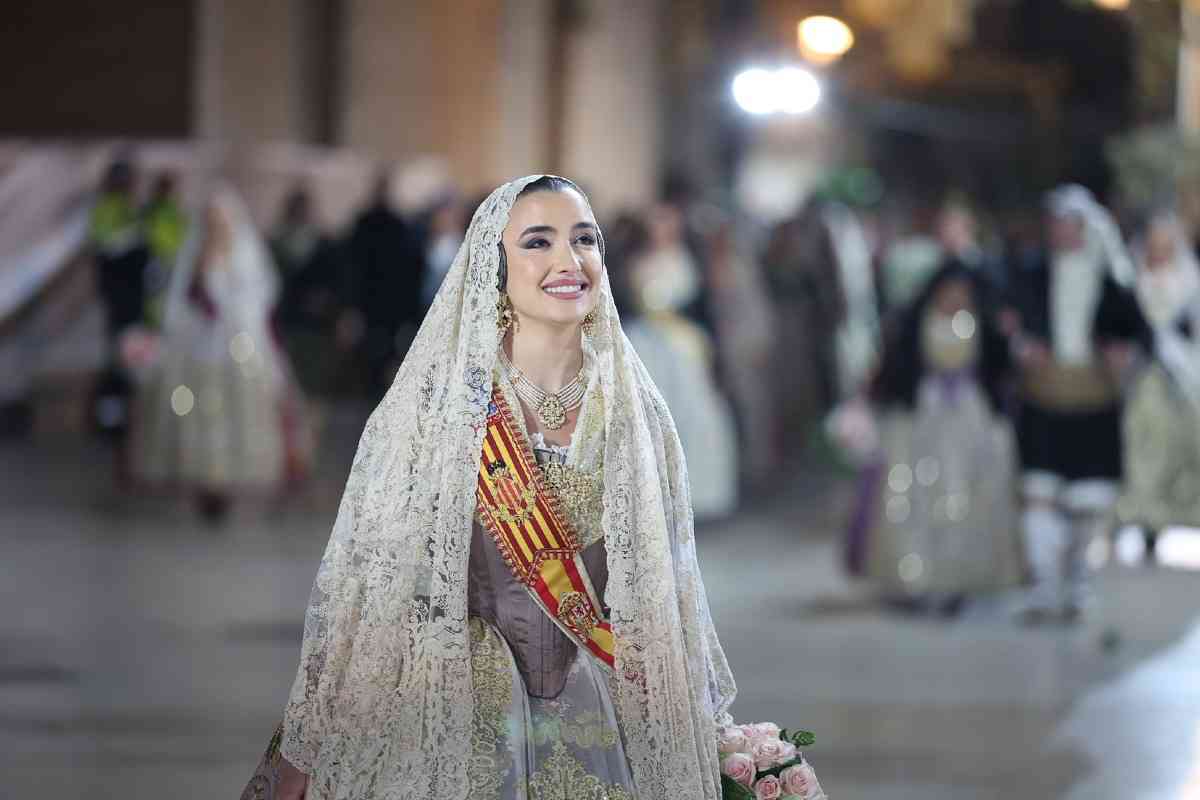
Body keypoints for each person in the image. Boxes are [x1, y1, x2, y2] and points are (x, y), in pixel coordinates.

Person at [245, 175, 748, 799]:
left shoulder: (636, 413)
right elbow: (369, 585)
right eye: (538, 242)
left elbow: (667, 589)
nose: (568, 260)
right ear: (495, 264)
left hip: (602, 711)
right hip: (452, 703)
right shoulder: (435, 409)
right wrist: (317, 737)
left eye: (584, 239)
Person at [843, 262, 1024, 614]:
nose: (955, 298)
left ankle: (962, 578)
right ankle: (919, 577)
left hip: (969, 420)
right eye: (949, 291)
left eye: (962, 292)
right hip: (922, 420)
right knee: (916, 498)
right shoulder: (914, 326)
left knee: (964, 498)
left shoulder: (984, 325)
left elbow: (1001, 368)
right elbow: (892, 370)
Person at [1009, 185, 1147, 623]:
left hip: (1093, 400)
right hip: (1044, 398)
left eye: (1069, 224)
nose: (1061, 232)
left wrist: (1123, 353)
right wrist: (1019, 345)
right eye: (1055, 224)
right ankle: (1043, 585)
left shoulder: (1112, 278)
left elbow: (1139, 333)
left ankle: (1079, 583)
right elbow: (1006, 322)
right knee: (1039, 494)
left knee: (1087, 501)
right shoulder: (1029, 273)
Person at [133, 186, 307, 521]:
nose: (215, 226)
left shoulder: (242, 254)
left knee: (242, 409)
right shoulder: (196, 252)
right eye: (210, 220)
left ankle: (230, 480)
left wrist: (223, 294)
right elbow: (180, 299)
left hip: (237, 344)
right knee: (191, 408)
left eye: (221, 220)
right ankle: (202, 480)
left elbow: (257, 295)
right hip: (198, 343)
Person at [623, 203, 739, 519]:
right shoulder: (638, 262)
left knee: (694, 410)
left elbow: (702, 303)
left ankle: (693, 490)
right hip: (650, 342)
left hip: (680, 344)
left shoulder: (687, 260)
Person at [1116, 211, 1200, 557]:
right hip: (1140, 381)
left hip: (1179, 382)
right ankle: (1142, 517)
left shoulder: (1189, 283)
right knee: (1140, 446)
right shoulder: (1131, 279)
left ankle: (1166, 517)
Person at [346, 171, 426, 396]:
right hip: (380, 301)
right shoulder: (382, 224)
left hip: (381, 301)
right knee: (376, 351)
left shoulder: (386, 224)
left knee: (378, 351)